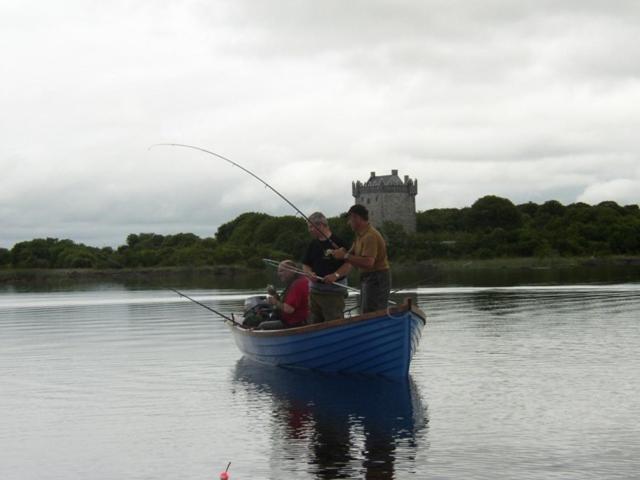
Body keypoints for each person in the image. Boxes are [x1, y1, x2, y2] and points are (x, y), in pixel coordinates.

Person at [326, 204, 390, 313]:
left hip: (377, 277)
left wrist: (345, 256)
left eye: (350, 219)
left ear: (357, 218)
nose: (348, 223)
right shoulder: (360, 235)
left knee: (372, 312)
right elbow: (351, 254)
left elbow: (369, 262)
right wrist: (341, 253)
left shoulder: (370, 236)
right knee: (366, 310)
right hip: (367, 277)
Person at [302, 211, 352, 323]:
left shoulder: (339, 242)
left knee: (334, 323)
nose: (309, 230)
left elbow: (349, 264)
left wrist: (335, 275)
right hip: (315, 293)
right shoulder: (312, 244)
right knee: (314, 323)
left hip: (334, 293)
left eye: (311, 227)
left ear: (321, 225)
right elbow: (305, 264)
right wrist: (309, 273)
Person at [257, 260, 310, 330]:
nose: (279, 274)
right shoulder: (298, 281)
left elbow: (289, 309)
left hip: (295, 323)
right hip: (296, 320)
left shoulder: (297, 284)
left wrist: (274, 302)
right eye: (278, 271)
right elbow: (286, 304)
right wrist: (274, 294)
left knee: (262, 325)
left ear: (293, 270)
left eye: (282, 271)